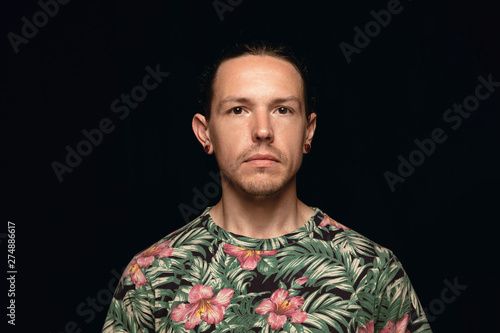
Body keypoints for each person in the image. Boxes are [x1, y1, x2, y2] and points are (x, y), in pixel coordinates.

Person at [102, 41, 432, 333]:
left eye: (282, 109)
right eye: (238, 110)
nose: (262, 130)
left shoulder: (371, 269)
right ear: (205, 133)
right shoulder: (152, 276)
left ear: (309, 131)